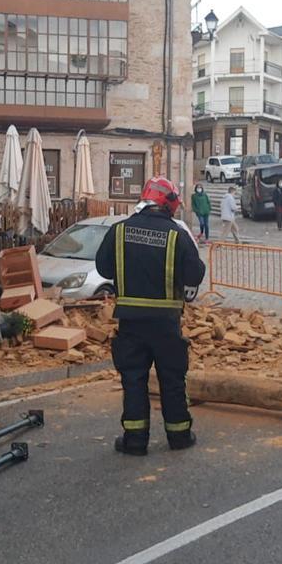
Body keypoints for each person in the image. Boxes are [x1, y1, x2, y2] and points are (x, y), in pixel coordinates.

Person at [95, 177, 207, 456]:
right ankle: (179, 436)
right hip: (165, 323)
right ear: (169, 204)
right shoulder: (177, 235)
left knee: (133, 380)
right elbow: (195, 274)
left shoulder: (118, 231)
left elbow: (103, 268)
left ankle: (135, 441)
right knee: (172, 379)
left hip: (130, 322)